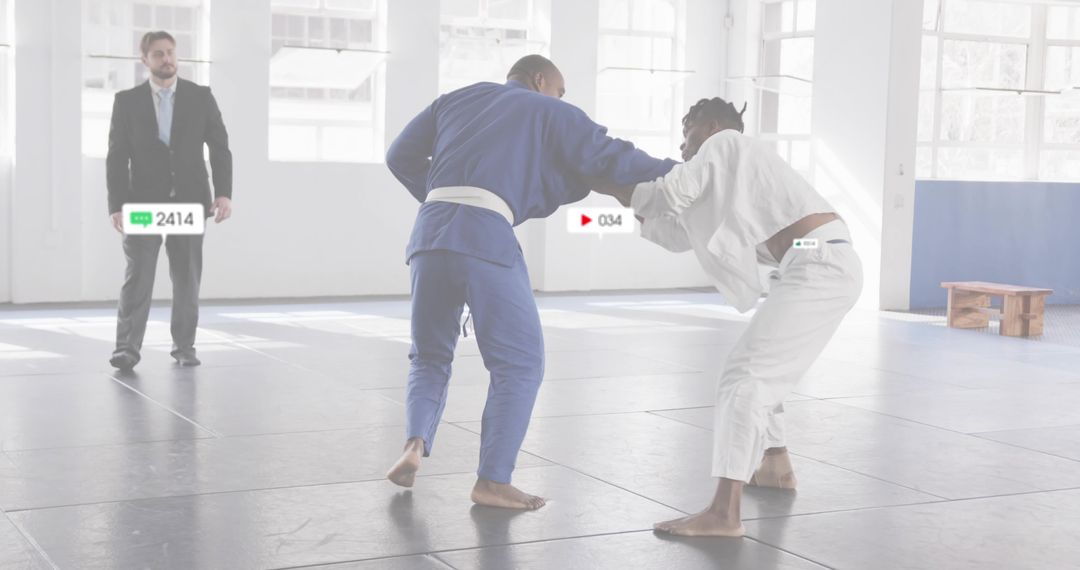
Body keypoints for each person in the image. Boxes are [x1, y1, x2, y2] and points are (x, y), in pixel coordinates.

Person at [384, 55, 676, 510]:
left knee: (429, 356)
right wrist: (683, 174)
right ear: (541, 81)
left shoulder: (454, 100)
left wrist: (444, 195)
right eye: (561, 90)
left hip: (428, 231)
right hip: (485, 236)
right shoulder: (548, 110)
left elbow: (396, 155)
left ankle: (415, 444)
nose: (562, 99)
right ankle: (492, 480)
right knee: (519, 363)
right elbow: (613, 156)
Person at [593, 98, 863, 537]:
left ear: (710, 126)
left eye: (687, 136)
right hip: (809, 255)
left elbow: (667, 194)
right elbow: (678, 233)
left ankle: (724, 512)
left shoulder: (725, 143)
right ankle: (774, 466)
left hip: (820, 259)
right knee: (763, 372)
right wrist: (628, 202)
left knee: (744, 376)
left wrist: (606, 182)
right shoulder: (730, 175)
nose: (683, 149)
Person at [106, 30, 233, 371]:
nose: (167, 59)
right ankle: (126, 349)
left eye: (171, 52)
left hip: (189, 204)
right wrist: (116, 205)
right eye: (159, 53)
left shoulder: (200, 97)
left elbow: (220, 147)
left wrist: (223, 193)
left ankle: (184, 348)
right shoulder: (127, 102)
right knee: (139, 278)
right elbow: (117, 157)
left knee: (187, 279)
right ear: (145, 60)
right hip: (143, 206)